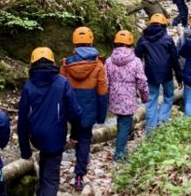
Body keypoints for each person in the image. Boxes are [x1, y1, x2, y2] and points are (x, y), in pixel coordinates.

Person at [18, 47, 82, 196]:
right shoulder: (62, 82)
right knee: (51, 179)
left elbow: (22, 120)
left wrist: (25, 150)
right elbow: (76, 112)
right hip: (56, 135)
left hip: (37, 136)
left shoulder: (28, 85)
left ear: (32, 63)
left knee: (45, 165)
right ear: (52, 61)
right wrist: (75, 134)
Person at [59, 27, 108, 190]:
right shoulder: (98, 65)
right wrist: (102, 116)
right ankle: (79, 176)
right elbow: (102, 93)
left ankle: (73, 142)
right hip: (89, 109)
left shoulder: (66, 64)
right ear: (91, 41)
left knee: (76, 130)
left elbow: (60, 90)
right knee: (85, 138)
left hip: (71, 109)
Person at [105, 31, 149, 162]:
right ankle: (118, 156)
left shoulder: (108, 61)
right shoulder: (135, 61)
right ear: (130, 44)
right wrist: (145, 96)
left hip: (114, 97)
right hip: (129, 97)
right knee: (125, 125)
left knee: (121, 122)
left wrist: (105, 98)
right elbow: (141, 81)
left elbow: (105, 81)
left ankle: (124, 152)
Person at [135, 13, 182, 133]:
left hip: (150, 74)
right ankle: (162, 120)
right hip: (166, 74)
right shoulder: (167, 39)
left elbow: (137, 58)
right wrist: (179, 77)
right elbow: (175, 60)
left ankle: (151, 128)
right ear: (164, 25)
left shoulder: (143, 38)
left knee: (151, 100)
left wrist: (137, 78)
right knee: (169, 96)